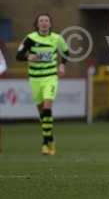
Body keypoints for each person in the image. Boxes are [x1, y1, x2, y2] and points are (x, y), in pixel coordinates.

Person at [16, 13, 69, 156]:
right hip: (35, 79)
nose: (44, 23)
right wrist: (29, 56)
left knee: (47, 107)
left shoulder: (57, 38)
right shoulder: (30, 38)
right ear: (37, 24)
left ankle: (45, 144)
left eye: (46, 20)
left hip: (50, 78)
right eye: (41, 21)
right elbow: (18, 55)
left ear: (50, 24)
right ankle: (50, 137)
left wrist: (62, 65)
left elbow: (66, 52)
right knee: (42, 112)